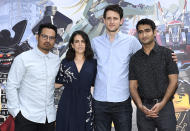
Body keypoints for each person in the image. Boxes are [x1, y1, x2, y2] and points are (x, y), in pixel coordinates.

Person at [91, 4, 178, 131]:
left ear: (121, 21)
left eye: (115, 18)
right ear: (103, 20)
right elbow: (85, 62)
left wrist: (171, 57)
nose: (111, 21)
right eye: (108, 18)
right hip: (99, 101)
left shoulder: (131, 41)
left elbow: (147, 54)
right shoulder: (95, 42)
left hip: (122, 101)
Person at [6, 23, 60, 131]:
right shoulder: (23, 59)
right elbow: (11, 86)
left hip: (48, 118)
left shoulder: (56, 60)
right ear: (37, 37)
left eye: (51, 38)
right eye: (44, 36)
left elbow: (54, 83)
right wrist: (16, 113)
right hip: (26, 117)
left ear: (54, 41)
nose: (48, 40)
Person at [129, 18, 179, 131]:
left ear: (154, 32)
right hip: (144, 109)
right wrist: (141, 106)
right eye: (140, 32)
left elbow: (174, 82)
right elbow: (132, 87)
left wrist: (162, 103)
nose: (144, 35)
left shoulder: (167, 54)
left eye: (147, 30)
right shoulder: (134, 59)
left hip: (165, 107)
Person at [55, 30, 97, 131]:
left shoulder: (93, 63)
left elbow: (96, 83)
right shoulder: (65, 62)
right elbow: (57, 84)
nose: (80, 44)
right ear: (72, 45)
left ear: (86, 44)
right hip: (67, 103)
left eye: (83, 41)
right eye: (77, 41)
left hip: (86, 103)